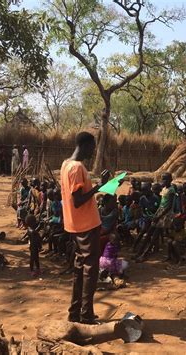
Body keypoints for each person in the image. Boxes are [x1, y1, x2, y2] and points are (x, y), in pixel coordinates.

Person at [60, 131, 110, 325]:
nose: (93, 151)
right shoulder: (76, 168)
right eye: (93, 147)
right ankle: (86, 315)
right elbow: (79, 200)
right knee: (90, 269)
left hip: (75, 224)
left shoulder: (65, 165)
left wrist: (103, 186)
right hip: (86, 225)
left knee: (80, 268)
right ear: (87, 145)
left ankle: (75, 312)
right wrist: (100, 186)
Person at [135, 172, 175, 262]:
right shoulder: (164, 189)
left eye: (165, 179)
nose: (163, 181)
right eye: (162, 179)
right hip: (160, 213)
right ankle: (140, 252)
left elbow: (169, 206)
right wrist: (156, 215)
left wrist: (159, 216)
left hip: (166, 215)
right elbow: (161, 204)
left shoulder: (171, 190)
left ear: (171, 180)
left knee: (154, 236)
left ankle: (144, 254)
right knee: (150, 233)